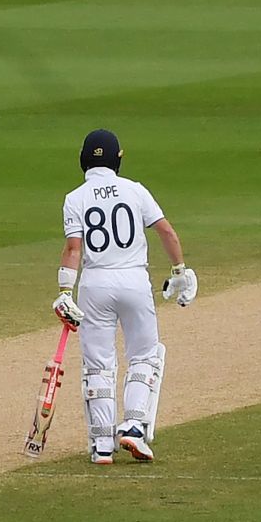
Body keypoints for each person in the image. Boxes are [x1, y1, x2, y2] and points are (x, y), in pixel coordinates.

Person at [53, 128, 196, 464]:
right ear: (118, 158)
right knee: (144, 356)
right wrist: (179, 272)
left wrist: (64, 291)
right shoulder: (134, 190)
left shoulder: (75, 198)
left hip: (94, 286)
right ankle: (132, 426)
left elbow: (74, 248)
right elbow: (166, 231)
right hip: (134, 281)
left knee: (98, 365)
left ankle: (102, 445)